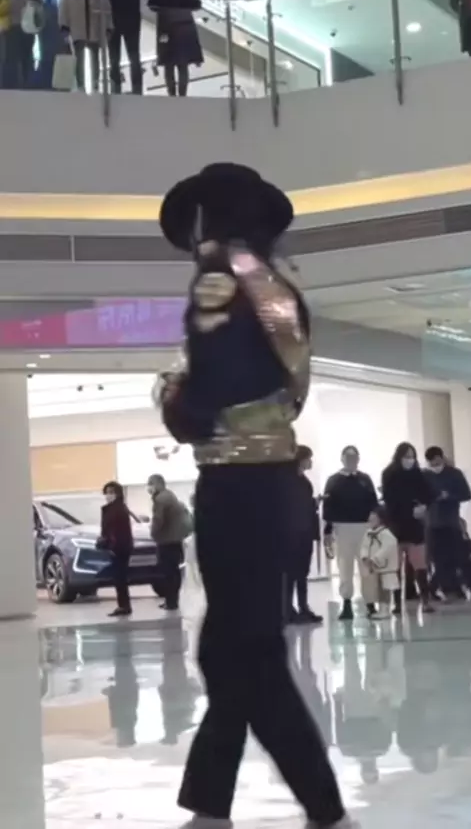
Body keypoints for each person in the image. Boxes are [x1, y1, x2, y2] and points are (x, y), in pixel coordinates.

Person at [156, 163, 354, 829]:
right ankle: (212, 808)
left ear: (208, 218)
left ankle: (323, 812)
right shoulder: (272, 282)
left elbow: (209, 393)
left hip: (235, 488)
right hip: (272, 485)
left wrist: (172, 396)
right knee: (231, 652)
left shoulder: (219, 276)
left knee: (250, 657)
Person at [323, 446, 378, 621]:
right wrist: (328, 530)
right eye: (348, 457)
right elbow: (328, 506)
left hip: (364, 527)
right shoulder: (334, 481)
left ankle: (370, 603)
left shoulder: (365, 479)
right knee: (344, 567)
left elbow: (374, 502)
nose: (351, 461)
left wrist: (374, 521)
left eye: (354, 457)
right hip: (342, 528)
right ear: (342, 459)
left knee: (367, 567)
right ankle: (346, 603)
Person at [381, 442, 434, 615]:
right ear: (399, 457)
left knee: (420, 564)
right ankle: (397, 603)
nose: (410, 460)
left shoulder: (418, 474)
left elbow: (429, 494)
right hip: (396, 524)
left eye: (412, 456)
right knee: (395, 566)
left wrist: (424, 506)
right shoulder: (389, 474)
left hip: (415, 526)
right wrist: (410, 508)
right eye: (406, 456)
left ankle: (425, 600)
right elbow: (390, 500)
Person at [424, 446, 471, 601]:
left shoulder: (454, 474)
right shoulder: (425, 476)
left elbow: (467, 494)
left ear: (442, 458)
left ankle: (462, 587)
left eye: (437, 462)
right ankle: (444, 588)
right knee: (438, 559)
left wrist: (449, 496)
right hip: (432, 523)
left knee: (457, 555)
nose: (435, 466)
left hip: (451, 521)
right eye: (432, 463)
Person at [148, 0, 203, 96]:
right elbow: (152, 5)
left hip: (183, 28)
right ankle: (171, 94)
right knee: (168, 64)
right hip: (166, 28)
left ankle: (182, 95)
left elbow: (197, 4)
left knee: (183, 64)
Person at [287, 445, 323, 625]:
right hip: (292, 534)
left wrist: (314, 503)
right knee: (291, 573)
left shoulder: (304, 482)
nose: (311, 462)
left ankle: (303, 607)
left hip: (305, 532)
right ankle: (288, 610)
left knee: (302, 573)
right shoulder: (289, 481)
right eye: (309, 458)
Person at [59, 0, 113, 91]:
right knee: (79, 57)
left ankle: (95, 85)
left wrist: (108, 25)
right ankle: (80, 86)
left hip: (95, 25)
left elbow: (105, 4)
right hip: (77, 24)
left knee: (95, 57)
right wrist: (64, 25)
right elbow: (64, 3)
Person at [147, 473, 190, 612]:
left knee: (167, 572)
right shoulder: (170, 495)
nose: (149, 488)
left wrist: (153, 533)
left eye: (150, 484)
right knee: (174, 571)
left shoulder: (160, 499)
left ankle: (170, 601)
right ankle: (173, 600)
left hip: (166, 540)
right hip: (176, 539)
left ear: (157, 484)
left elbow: (158, 519)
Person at [103, 0, 146, 94]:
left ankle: (115, 88)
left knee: (114, 57)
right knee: (134, 56)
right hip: (132, 20)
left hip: (114, 20)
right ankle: (137, 89)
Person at [100, 480, 134, 617]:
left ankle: (123, 605)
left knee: (120, 577)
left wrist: (112, 546)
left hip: (119, 548)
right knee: (119, 577)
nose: (108, 495)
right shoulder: (114, 508)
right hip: (119, 547)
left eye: (111, 492)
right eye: (107, 492)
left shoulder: (117, 510)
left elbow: (116, 531)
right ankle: (123, 604)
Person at [360, 505, 400, 620]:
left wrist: (375, 559)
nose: (371, 520)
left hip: (386, 567)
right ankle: (379, 608)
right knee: (377, 588)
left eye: (374, 518)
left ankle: (385, 609)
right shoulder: (368, 533)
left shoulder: (386, 534)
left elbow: (387, 548)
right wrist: (364, 557)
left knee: (385, 588)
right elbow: (364, 546)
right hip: (375, 568)